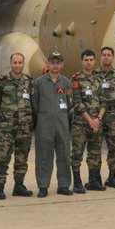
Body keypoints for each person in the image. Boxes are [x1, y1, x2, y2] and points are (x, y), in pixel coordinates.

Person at [30, 51, 73, 197]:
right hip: (44, 125)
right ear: (48, 64)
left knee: (64, 155)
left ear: (62, 64)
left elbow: (69, 104)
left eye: (58, 62)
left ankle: (63, 185)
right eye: (52, 62)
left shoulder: (66, 82)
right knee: (43, 156)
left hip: (62, 124)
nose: (55, 65)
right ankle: (43, 186)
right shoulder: (39, 82)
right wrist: (44, 116)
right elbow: (35, 104)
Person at [0, 52, 34, 199]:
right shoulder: (2, 82)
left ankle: (19, 186)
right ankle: (0, 187)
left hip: (24, 128)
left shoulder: (29, 82)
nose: (17, 65)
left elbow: (33, 104)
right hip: (6, 129)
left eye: (20, 62)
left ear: (23, 64)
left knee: (22, 159)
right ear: (10, 64)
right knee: (3, 159)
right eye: (15, 62)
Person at [70, 50, 106, 194]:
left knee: (95, 153)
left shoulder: (98, 80)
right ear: (81, 61)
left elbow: (104, 101)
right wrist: (90, 120)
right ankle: (77, 183)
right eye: (86, 59)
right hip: (81, 125)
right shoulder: (76, 79)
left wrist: (98, 119)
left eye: (91, 59)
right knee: (77, 154)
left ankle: (93, 182)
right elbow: (77, 103)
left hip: (96, 123)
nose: (89, 62)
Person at [95, 46, 115, 188]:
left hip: (114, 116)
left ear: (113, 58)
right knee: (95, 147)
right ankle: (96, 177)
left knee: (114, 147)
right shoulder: (94, 75)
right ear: (100, 57)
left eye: (109, 55)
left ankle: (112, 177)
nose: (106, 57)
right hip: (97, 117)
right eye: (104, 55)